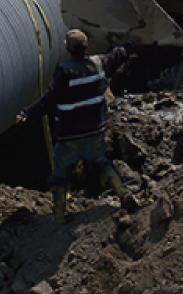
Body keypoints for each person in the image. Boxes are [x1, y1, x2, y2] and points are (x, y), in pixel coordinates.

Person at [16, 28, 139, 224]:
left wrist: (27, 113)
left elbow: (49, 100)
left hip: (70, 137)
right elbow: (118, 55)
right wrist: (132, 42)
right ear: (86, 47)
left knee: (60, 175)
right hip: (95, 131)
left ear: (68, 49)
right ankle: (123, 193)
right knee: (101, 163)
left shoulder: (65, 72)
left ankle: (59, 217)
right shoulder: (99, 63)